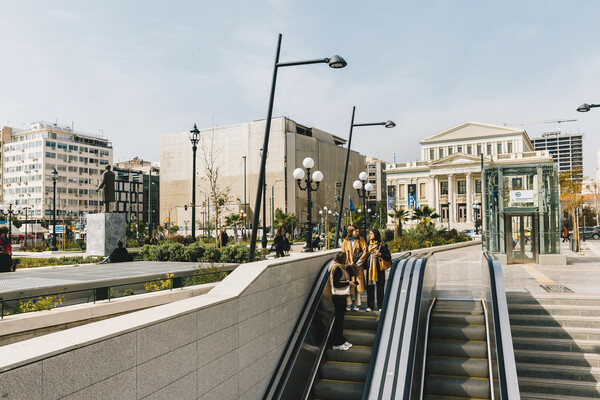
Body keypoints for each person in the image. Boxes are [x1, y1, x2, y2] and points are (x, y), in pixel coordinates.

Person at [329, 251, 355, 351]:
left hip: (341, 297)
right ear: (342, 259)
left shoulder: (342, 267)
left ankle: (341, 339)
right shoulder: (337, 268)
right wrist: (348, 283)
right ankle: (336, 343)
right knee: (338, 321)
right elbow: (336, 284)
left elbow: (350, 274)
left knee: (340, 320)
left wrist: (348, 266)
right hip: (338, 297)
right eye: (346, 258)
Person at [341, 225, 368, 311]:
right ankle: (349, 304)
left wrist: (359, 262)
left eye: (358, 231)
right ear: (351, 231)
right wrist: (346, 262)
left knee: (358, 285)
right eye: (356, 231)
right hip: (348, 266)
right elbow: (342, 252)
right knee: (349, 284)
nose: (357, 233)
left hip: (357, 266)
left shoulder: (361, 240)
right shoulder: (346, 241)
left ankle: (357, 304)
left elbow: (365, 251)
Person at [366, 229, 391, 312]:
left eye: (371, 234)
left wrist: (380, 254)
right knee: (370, 288)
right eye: (369, 234)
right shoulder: (368, 245)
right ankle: (370, 306)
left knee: (380, 289)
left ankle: (380, 306)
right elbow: (363, 255)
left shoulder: (382, 245)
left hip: (379, 270)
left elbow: (388, 257)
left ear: (376, 235)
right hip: (370, 270)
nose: (370, 235)